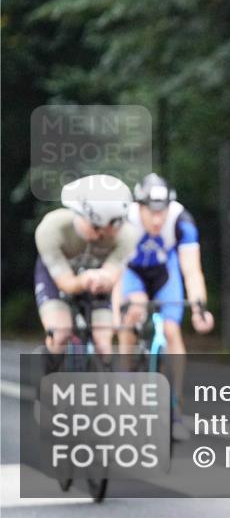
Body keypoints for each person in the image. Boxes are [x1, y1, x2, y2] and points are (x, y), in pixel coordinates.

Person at [114, 173, 214, 441]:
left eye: (163, 212)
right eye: (152, 212)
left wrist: (200, 309)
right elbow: (116, 270)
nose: (158, 220)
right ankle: (126, 382)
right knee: (132, 317)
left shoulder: (182, 221)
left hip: (164, 273)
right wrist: (119, 310)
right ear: (139, 207)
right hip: (132, 272)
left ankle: (175, 409)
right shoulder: (124, 219)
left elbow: (191, 271)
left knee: (171, 330)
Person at [34, 175, 139, 367]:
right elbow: (67, 284)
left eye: (115, 226)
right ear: (83, 215)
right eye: (98, 228)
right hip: (58, 277)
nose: (104, 235)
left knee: (103, 345)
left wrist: (104, 279)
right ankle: (48, 377)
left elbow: (112, 275)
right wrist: (84, 280)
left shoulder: (127, 234)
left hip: (97, 281)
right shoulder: (51, 229)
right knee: (59, 335)